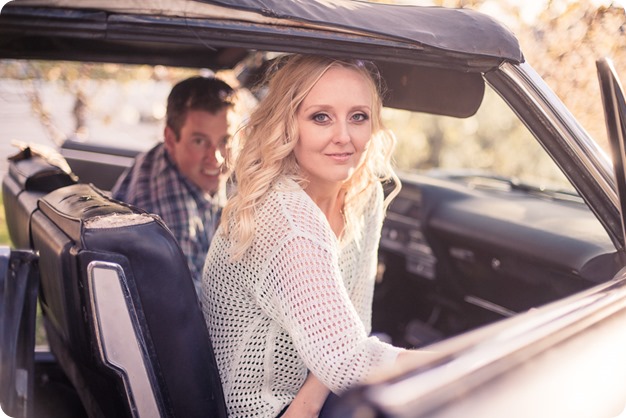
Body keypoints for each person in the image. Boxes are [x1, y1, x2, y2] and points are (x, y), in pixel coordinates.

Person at [201, 54, 435, 418]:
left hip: (309, 395)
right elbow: (348, 359)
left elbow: (355, 321)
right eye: (320, 117)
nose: (343, 137)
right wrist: (465, 366)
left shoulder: (363, 193)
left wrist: (308, 404)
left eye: (358, 117)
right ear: (287, 124)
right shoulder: (282, 218)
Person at [112, 76, 235, 295]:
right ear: (170, 138)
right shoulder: (171, 222)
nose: (215, 158)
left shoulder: (169, 160)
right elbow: (194, 315)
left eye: (225, 141)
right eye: (199, 141)